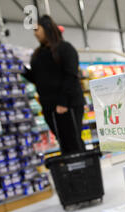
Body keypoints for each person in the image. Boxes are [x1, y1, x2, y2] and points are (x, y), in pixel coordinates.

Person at [23, 15, 85, 154]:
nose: (35, 33)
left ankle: (82, 171)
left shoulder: (65, 48)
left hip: (68, 104)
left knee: (73, 141)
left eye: (37, 29)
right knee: (62, 142)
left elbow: (71, 75)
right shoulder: (38, 54)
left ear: (47, 28)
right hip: (49, 107)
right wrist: (21, 70)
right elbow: (37, 78)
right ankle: (69, 173)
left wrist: (63, 102)